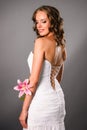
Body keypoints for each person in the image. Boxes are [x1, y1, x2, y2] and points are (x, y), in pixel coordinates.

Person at [19, 5, 67, 130]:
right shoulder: (61, 44)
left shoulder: (40, 42)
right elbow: (58, 78)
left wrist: (24, 110)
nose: (39, 26)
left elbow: (34, 81)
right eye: (37, 22)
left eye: (43, 21)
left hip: (42, 103)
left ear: (53, 21)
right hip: (57, 100)